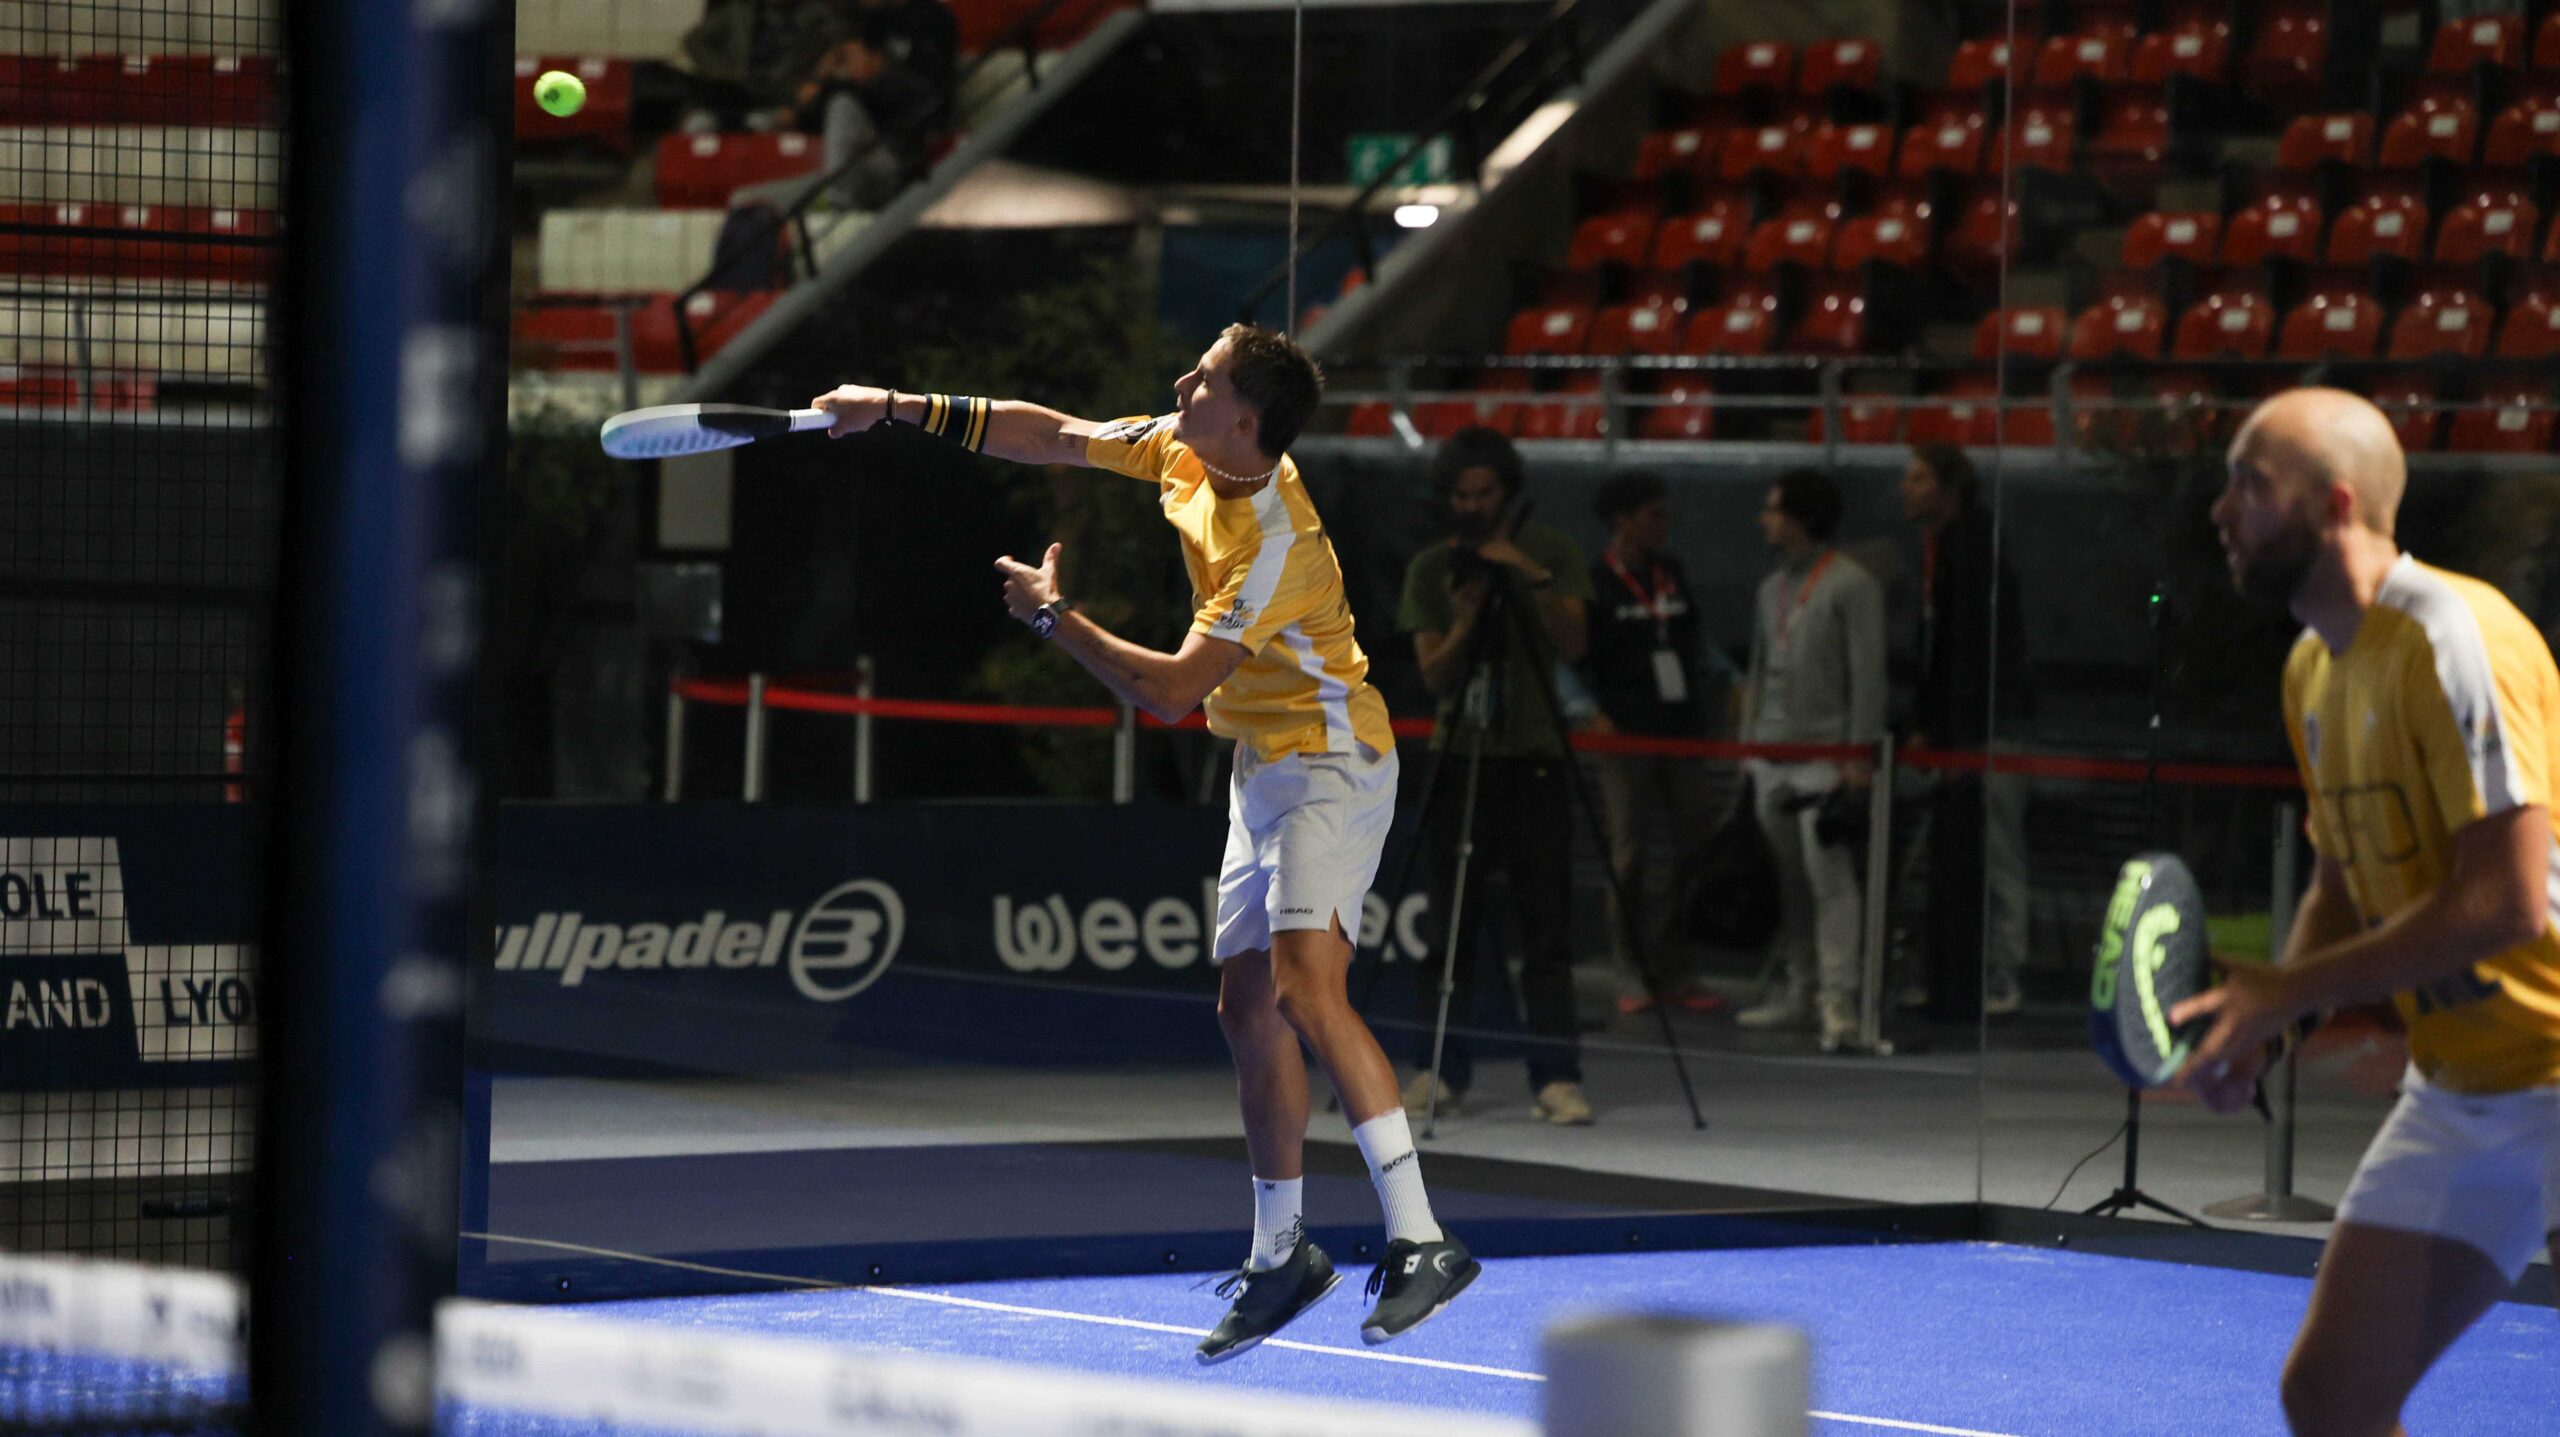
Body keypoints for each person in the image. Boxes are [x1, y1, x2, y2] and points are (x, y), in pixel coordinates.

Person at [808, 324, 1477, 1361]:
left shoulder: (1277, 545)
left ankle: (1423, 1238)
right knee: (1244, 1008)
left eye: (1203, 378)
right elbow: (1053, 436)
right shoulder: (1181, 446)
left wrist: (1054, 619)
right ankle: (1282, 1255)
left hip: (1333, 759)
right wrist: (894, 406)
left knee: (1307, 991)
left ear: (1244, 420)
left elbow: (1169, 692)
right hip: (1262, 765)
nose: (1181, 382)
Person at [2176, 387, 2560, 1436]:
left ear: (2335, 504)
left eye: (2249, 485)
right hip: (2465, 1086)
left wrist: (2281, 990)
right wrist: (2271, 1028)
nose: (2221, 510)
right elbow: (2340, 888)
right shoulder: (2312, 667)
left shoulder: (2456, 636)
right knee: (2333, 1396)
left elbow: (2506, 902)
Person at [1397, 427, 1597, 1125]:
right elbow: (1433, 675)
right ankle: (1439, 1068)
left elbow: (1576, 643)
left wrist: (1526, 575)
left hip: (1536, 758)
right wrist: (1465, 623)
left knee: (1546, 927)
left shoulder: (1552, 553)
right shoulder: (1433, 566)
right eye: (1460, 496)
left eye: (1483, 494)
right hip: (1459, 757)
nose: (1471, 507)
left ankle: (1558, 1076)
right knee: (1449, 926)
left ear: (1507, 494)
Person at [1735, 469, 1886, 1051]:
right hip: (1772, 754)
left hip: (1825, 755)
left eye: (1774, 510)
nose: (1764, 520)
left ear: (1800, 517)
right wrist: (1748, 744)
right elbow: (1757, 667)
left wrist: (1858, 755)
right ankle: (1801, 988)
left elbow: (1867, 675)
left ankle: (1838, 1001)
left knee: (1830, 880)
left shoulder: (1851, 585)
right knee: (1787, 881)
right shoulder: (1769, 588)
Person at [1580, 471, 1733, 1014]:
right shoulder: (1596, 580)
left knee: (1693, 842)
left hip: (1682, 731)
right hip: (1625, 735)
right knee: (1630, 852)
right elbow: (1577, 656)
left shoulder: (1673, 572)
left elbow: (1696, 642)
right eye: (1653, 516)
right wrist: (1591, 712)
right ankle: (1630, 968)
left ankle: (1674, 965)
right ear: (1622, 522)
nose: (1662, 525)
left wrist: (1730, 683)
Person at [1896, 443, 2032, 1020]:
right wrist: (1928, 725)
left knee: (1998, 852)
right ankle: (1952, 972)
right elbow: (1939, 649)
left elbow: (1975, 652)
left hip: (1986, 731)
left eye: (1918, 478)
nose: (1905, 488)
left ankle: (2002, 972)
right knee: (1956, 853)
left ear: (1948, 488)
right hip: (1956, 730)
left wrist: (1960, 738)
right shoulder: (1941, 548)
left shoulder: (1975, 549)